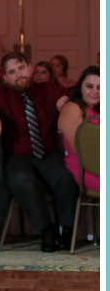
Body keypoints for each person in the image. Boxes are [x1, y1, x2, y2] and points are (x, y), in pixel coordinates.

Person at [0, 51, 76, 252]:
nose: (19, 74)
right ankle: (47, 229)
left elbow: (73, 92)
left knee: (65, 177)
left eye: (22, 68)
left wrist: (65, 100)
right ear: (6, 78)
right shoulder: (0, 94)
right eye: (12, 72)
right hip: (18, 158)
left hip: (49, 154)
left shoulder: (47, 89)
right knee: (20, 179)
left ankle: (67, 231)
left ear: (31, 68)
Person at [57, 65, 99, 197]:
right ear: (80, 87)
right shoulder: (71, 108)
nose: (95, 92)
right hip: (86, 169)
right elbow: (82, 151)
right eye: (89, 86)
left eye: (100, 87)